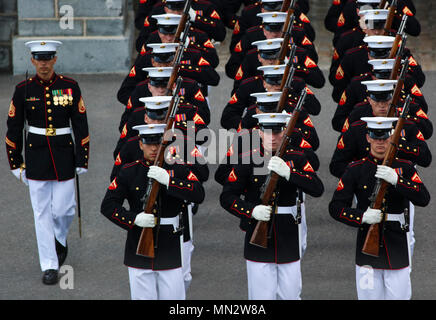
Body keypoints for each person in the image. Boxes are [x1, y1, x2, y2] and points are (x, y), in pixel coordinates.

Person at [5, 40, 90, 285]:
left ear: (54, 59)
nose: (43, 64)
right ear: (32, 61)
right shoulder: (23, 89)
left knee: (65, 209)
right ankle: (50, 265)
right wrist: (15, 163)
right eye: (39, 59)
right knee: (41, 212)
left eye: (47, 58)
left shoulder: (70, 86)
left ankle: (59, 240)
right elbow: (13, 128)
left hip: (64, 153)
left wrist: (82, 157)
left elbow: (81, 124)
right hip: (36, 155)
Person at [220, 112, 324, 300]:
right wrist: (251, 211)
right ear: (259, 133)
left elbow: (317, 188)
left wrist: (290, 173)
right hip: (257, 236)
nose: (273, 137)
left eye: (277, 132)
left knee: (291, 295)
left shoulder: (297, 158)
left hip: (288, 235)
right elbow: (227, 197)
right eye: (268, 132)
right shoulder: (248, 159)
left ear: (284, 132)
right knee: (260, 298)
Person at [329, 117, 430, 300]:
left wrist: (398, 181)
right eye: (376, 138)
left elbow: (423, 198)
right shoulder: (355, 169)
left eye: (384, 138)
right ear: (368, 138)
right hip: (366, 251)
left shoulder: (404, 168)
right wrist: (361, 217)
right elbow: (336, 207)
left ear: (391, 138)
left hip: (396, 247)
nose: (380, 142)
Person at [101, 123, 205, 300]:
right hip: (138, 241)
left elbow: (198, 194)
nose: (154, 148)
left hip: (169, 243)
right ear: (141, 144)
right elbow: (108, 205)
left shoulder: (177, 168)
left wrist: (169, 181)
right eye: (149, 143)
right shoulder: (129, 171)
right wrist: (133, 219)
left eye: (158, 143)